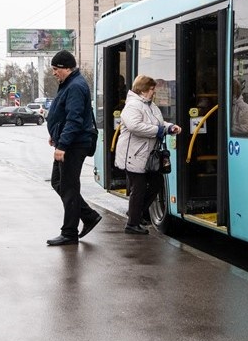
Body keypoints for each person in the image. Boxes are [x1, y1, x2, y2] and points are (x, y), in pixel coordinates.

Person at [45, 49, 102, 246]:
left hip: (74, 145)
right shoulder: (69, 83)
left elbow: (74, 119)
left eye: (56, 69)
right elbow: (63, 114)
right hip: (68, 142)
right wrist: (56, 135)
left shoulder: (76, 86)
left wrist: (62, 145)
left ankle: (69, 233)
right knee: (58, 182)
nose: (54, 73)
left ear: (66, 68)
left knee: (69, 187)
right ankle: (89, 216)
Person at [114, 74, 182, 235]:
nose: (154, 92)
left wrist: (169, 127)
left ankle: (135, 213)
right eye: (151, 89)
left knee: (156, 183)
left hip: (145, 154)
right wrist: (159, 130)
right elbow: (135, 126)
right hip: (133, 154)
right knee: (139, 188)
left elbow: (158, 122)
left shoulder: (150, 105)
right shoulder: (133, 106)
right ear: (142, 90)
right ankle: (132, 224)